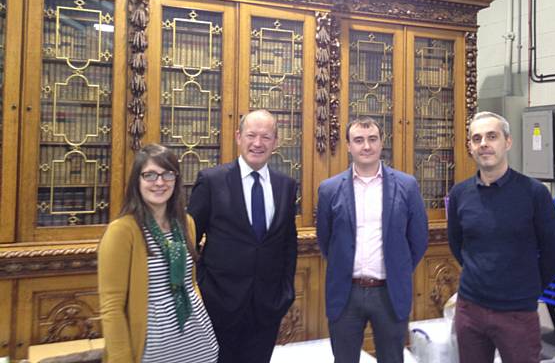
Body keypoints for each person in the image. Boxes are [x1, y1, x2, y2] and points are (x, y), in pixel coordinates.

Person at [447, 111, 555, 363]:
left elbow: (554, 253)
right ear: (470, 146)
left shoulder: (534, 193)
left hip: (517, 313)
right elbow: (457, 244)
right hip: (470, 310)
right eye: (477, 138)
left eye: (492, 136)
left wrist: (526, 290)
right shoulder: (460, 194)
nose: (484, 144)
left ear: (507, 142)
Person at [188, 109, 297, 363]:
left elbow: (288, 245)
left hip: (267, 308)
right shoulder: (212, 181)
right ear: (238, 137)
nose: (257, 143)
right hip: (218, 306)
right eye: (251, 135)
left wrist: (286, 293)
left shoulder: (286, 186)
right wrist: (202, 290)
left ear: (275, 142)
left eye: (266, 137)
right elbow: (189, 242)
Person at [316, 116, 429, 363]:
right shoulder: (329, 189)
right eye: (358, 140)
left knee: (392, 358)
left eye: (372, 139)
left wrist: (399, 268)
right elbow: (326, 240)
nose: (366, 146)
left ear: (381, 143)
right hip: (346, 294)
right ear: (348, 146)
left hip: (389, 292)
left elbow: (419, 239)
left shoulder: (406, 185)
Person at [98, 144, 218, 363]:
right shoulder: (122, 231)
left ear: (176, 179)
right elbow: (112, 307)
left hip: (197, 341)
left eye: (167, 174)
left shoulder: (186, 223)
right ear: (137, 181)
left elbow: (190, 284)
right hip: (152, 349)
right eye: (150, 175)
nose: (160, 182)